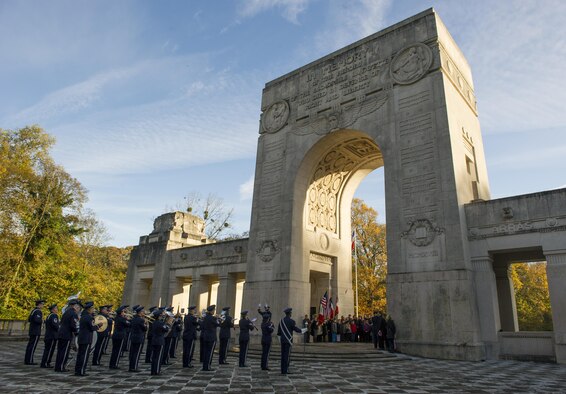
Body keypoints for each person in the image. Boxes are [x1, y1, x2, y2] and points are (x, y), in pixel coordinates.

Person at [75, 301, 100, 376]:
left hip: (81, 338)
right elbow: (92, 327)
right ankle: (81, 371)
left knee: (80, 355)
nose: (93, 310)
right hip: (86, 338)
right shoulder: (89, 317)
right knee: (84, 355)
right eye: (92, 308)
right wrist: (98, 326)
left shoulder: (83, 316)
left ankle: (78, 370)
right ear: (89, 309)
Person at [54, 299, 79, 372]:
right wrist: (76, 332)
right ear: (74, 306)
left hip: (61, 334)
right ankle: (61, 367)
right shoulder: (73, 313)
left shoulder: (66, 312)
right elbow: (73, 325)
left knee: (60, 351)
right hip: (66, 334)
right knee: (64, 352)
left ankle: (58, 366)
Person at [277, 307, 303, 375]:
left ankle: (283, 370)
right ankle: (285, 370)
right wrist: (302, 330)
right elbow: (296, 329)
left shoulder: (281, 321)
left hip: (283, 340)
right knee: (287, 356)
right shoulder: (292, 321)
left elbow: (279, 332)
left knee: (283, 356)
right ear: (290, 314)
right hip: (288, 341)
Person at [109, 305, 130, 369]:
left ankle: (112, 364)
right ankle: (114, 364)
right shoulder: (122, 319)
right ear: (121, 312)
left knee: (114, 350)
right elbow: (129, 324)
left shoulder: (117, 318)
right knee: (118, 351)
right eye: (123, 312)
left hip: (115, 335)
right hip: (120, 336)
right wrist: (127, 319)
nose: (124, 313)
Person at [150, 308, 170, 375]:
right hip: (159, 341)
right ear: (159, 316)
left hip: (154, 340)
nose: (162, 316)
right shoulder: (160, 323)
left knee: (154, 357)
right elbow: (166, 329)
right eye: (161, 315)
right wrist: (169, 323)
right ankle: (157, 371)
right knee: (158, 357)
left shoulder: (154, 322)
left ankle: (153, 371)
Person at [25, 299, 45, 365]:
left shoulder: (33, 310)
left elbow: (29, 319)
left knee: (30, 345)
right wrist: (42, 321)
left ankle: (28, 359)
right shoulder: (38, 311)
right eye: (42, 304)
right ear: (39, 304)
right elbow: (37, 320)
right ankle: (29, 360)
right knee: (32, 346)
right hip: (35, 331)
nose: (43, 305)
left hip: (32, 330)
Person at [201, 305, 220, 371]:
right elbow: (219, 324)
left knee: (206, 352)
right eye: (214, 310)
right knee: (210, 352)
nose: (214, 311)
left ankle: (204, 366)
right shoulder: (212, 318)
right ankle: (208, 366)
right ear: (211, 311)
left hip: (205, 336)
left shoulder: (205, 317)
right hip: (211, 337)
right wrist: (218, 318)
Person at [40, 303, 59, 368]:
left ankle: (45, 363)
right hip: (52, 336)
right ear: (53, 309)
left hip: (48, 335)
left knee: (47, 350)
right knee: (49, 350)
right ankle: (46, 363)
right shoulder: (54, 316)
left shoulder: (49, 316)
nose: (57, 309)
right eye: (56, 308)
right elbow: (55, 325)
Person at [129, 305, 147, 372]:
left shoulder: (133, 319)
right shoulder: (141, 320)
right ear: (140, 312)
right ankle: (134, 367)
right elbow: (145, 329)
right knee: (136, 354)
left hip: (133, 337)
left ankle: (131, 366)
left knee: (132, 353)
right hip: (139, 337)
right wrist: (145, 323)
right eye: (143, 312)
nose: (144, 313)